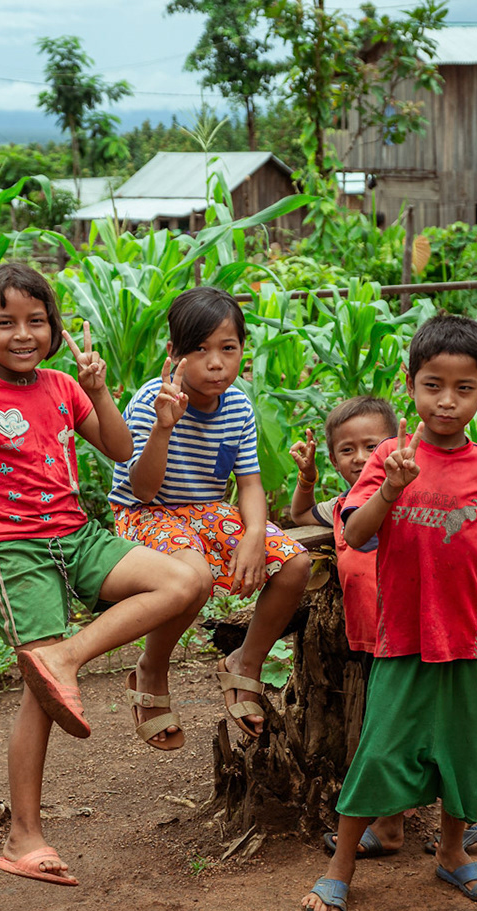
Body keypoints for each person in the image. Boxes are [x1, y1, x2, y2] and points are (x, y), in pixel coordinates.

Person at [0, 262, 208, 887]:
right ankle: (24, 835)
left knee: (188, 581)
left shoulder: (61, 385)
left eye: (36, 320)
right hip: (15, 550)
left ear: (52, 328)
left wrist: (98, 387)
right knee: (40, 694)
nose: (23, 333)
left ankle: (67, 658)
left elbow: (119, 448)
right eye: (6, 322)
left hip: (76, 537)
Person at [301, 315, 477, 911]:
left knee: (464, 751)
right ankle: (338, 871)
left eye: (464, 388)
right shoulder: (387, 457)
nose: (447, 402)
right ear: (411, 385)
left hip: (469, 636)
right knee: (380, 749)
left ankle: (453, 853)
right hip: (401, 635)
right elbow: (353, 531)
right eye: (433, 385)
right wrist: (390, 490)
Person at [289, 396, 477, 860]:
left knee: (430, 728)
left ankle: (458, 818)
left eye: (371, 445)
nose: (361, 458)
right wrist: (306, 480)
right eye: (346, 450)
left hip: (419, 632)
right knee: (386, 735)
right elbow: (301, 516)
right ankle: (389, 825)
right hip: (376, 640)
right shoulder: (344, 504)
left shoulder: (415, 493)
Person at [108, 286, 309, 746]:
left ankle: (245, 663)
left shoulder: (237, 405)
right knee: (192, 576)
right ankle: (150, 671)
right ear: (173, 353)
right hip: (146, 512)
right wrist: (164, 427)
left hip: (205, 512)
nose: (216, 362)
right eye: (199, 349)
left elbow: (250, 482)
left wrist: (255, 532)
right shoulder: (150, 402)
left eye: (228, 348)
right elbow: (141, 488)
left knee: (296, 565)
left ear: (242, 350)